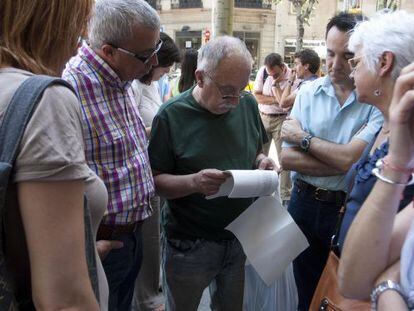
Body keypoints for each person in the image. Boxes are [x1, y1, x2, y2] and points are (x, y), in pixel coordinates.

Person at [148, 36, 275, 311]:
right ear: (200, 77)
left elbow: (255, 150)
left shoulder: (248, 105)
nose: (234, 101)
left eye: (241, 90)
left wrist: (262, 161)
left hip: (240, 236)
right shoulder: (170, 116)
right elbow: (155, 182)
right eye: (227, 91)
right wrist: (194, 182)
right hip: (189, 243)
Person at [0, 0, 107, 310]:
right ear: (49, 23)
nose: (76, 49)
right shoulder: (43, 101)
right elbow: (64, 300)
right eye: (76, 30)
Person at [280, 12, 383, 310]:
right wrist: (341, 159)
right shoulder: (307, 93)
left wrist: (305, 140)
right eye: (330, 53)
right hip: (302, 204)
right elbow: (287, 158)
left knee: (340, 296)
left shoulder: (373, 100)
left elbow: (350, 161)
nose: (336, 64)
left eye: (347, 56)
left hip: (344, 208)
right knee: (305, 292)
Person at [63, 0, 160, 309]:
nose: (153, 62)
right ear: (108, 51)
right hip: (101, 246)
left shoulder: (122, 79)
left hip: (131, 239)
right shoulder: (71, 87)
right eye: (145, 55)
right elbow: (58, 184)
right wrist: (85, 248)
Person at [337, 10, 414, 311]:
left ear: (384, 63)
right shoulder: (387, 124)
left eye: (355, 62)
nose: (351, 73)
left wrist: (387, 286)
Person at [131, 32, 180, 311]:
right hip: (142, 174)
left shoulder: (151, 86)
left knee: (153, 240)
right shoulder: (133, 87)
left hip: (153, 173)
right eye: (165, 67)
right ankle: (147, 298)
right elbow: (134, 131)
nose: (166, 74)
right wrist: (161, 129)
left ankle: (150, 291)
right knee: (147, 243)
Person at [254, 53, 292, 206]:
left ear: (283, 67)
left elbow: (287, 104)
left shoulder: (292, 76)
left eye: (275, 74)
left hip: (282, 119)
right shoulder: (263, 72)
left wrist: (280, 100)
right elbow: (257, 96)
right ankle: (257, 193)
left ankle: (285, 197)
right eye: (270, 74)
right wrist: (278, 99)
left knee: (284, 159)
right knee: (258, 156)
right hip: (263, 118)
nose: (272, 77)